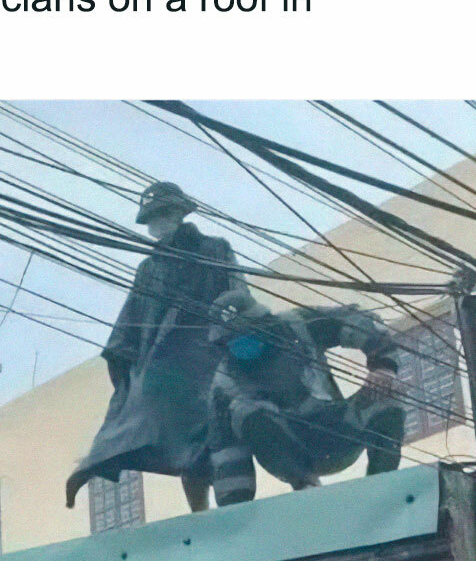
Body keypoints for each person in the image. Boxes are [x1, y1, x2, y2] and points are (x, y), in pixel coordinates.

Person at [65, 182, 251, 512]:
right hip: (169, 374)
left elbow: (238, 299)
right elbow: (130, 324)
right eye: (152, 217)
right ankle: (200, 515)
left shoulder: (215, 250)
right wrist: (126, 372)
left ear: (179, 213)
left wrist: (235, 337)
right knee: (184, 450)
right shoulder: (149, 269)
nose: (156, 223)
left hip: (211, 362)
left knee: (224, 437)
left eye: (162, 214)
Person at [204, 289, 406, 506]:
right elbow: (227, 454)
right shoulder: (225, 384)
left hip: (334, 428)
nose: (243, 344)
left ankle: (382, 488)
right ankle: (306, 487)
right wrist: (235, 512)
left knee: (387, 401)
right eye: (233, 341)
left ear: (264, 323)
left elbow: (356, 320)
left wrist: (383, 368)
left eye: (249, 334)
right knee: (245, 410)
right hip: (289, 447)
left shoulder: (297, 325)